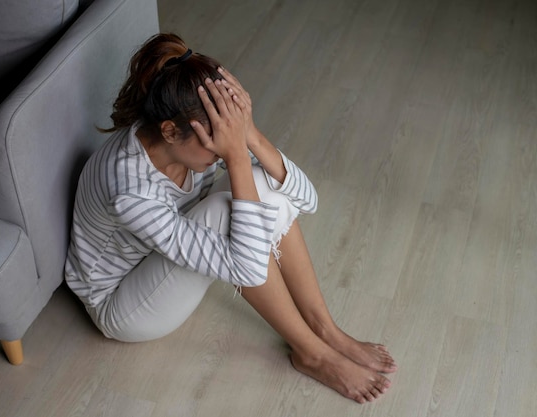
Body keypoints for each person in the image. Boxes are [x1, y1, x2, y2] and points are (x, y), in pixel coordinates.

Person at [65, 33, 397, 404]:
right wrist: (237, 156)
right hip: (121, 303)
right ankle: (312, 353)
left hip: (163, 254)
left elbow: (307, 200)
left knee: (259, 185)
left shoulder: (186, 134)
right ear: (171, 132)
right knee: (230, 209)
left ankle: (326, 330)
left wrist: (250, 135)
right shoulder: (129, 191)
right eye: (216, 142)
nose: (222, 150)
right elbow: (249, 269)